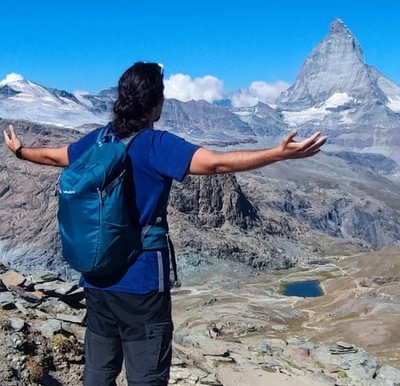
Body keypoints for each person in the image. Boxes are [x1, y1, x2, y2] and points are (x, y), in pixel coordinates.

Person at [3, 62, 327, 386]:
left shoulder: (99, 140)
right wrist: (277, 153)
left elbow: (56, 156)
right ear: (156, 105)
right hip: (141, 281)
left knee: (98, 370)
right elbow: (216, 163)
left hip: (96, 277)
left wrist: (20, 151)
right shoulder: (156, 144)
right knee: (147, 375)